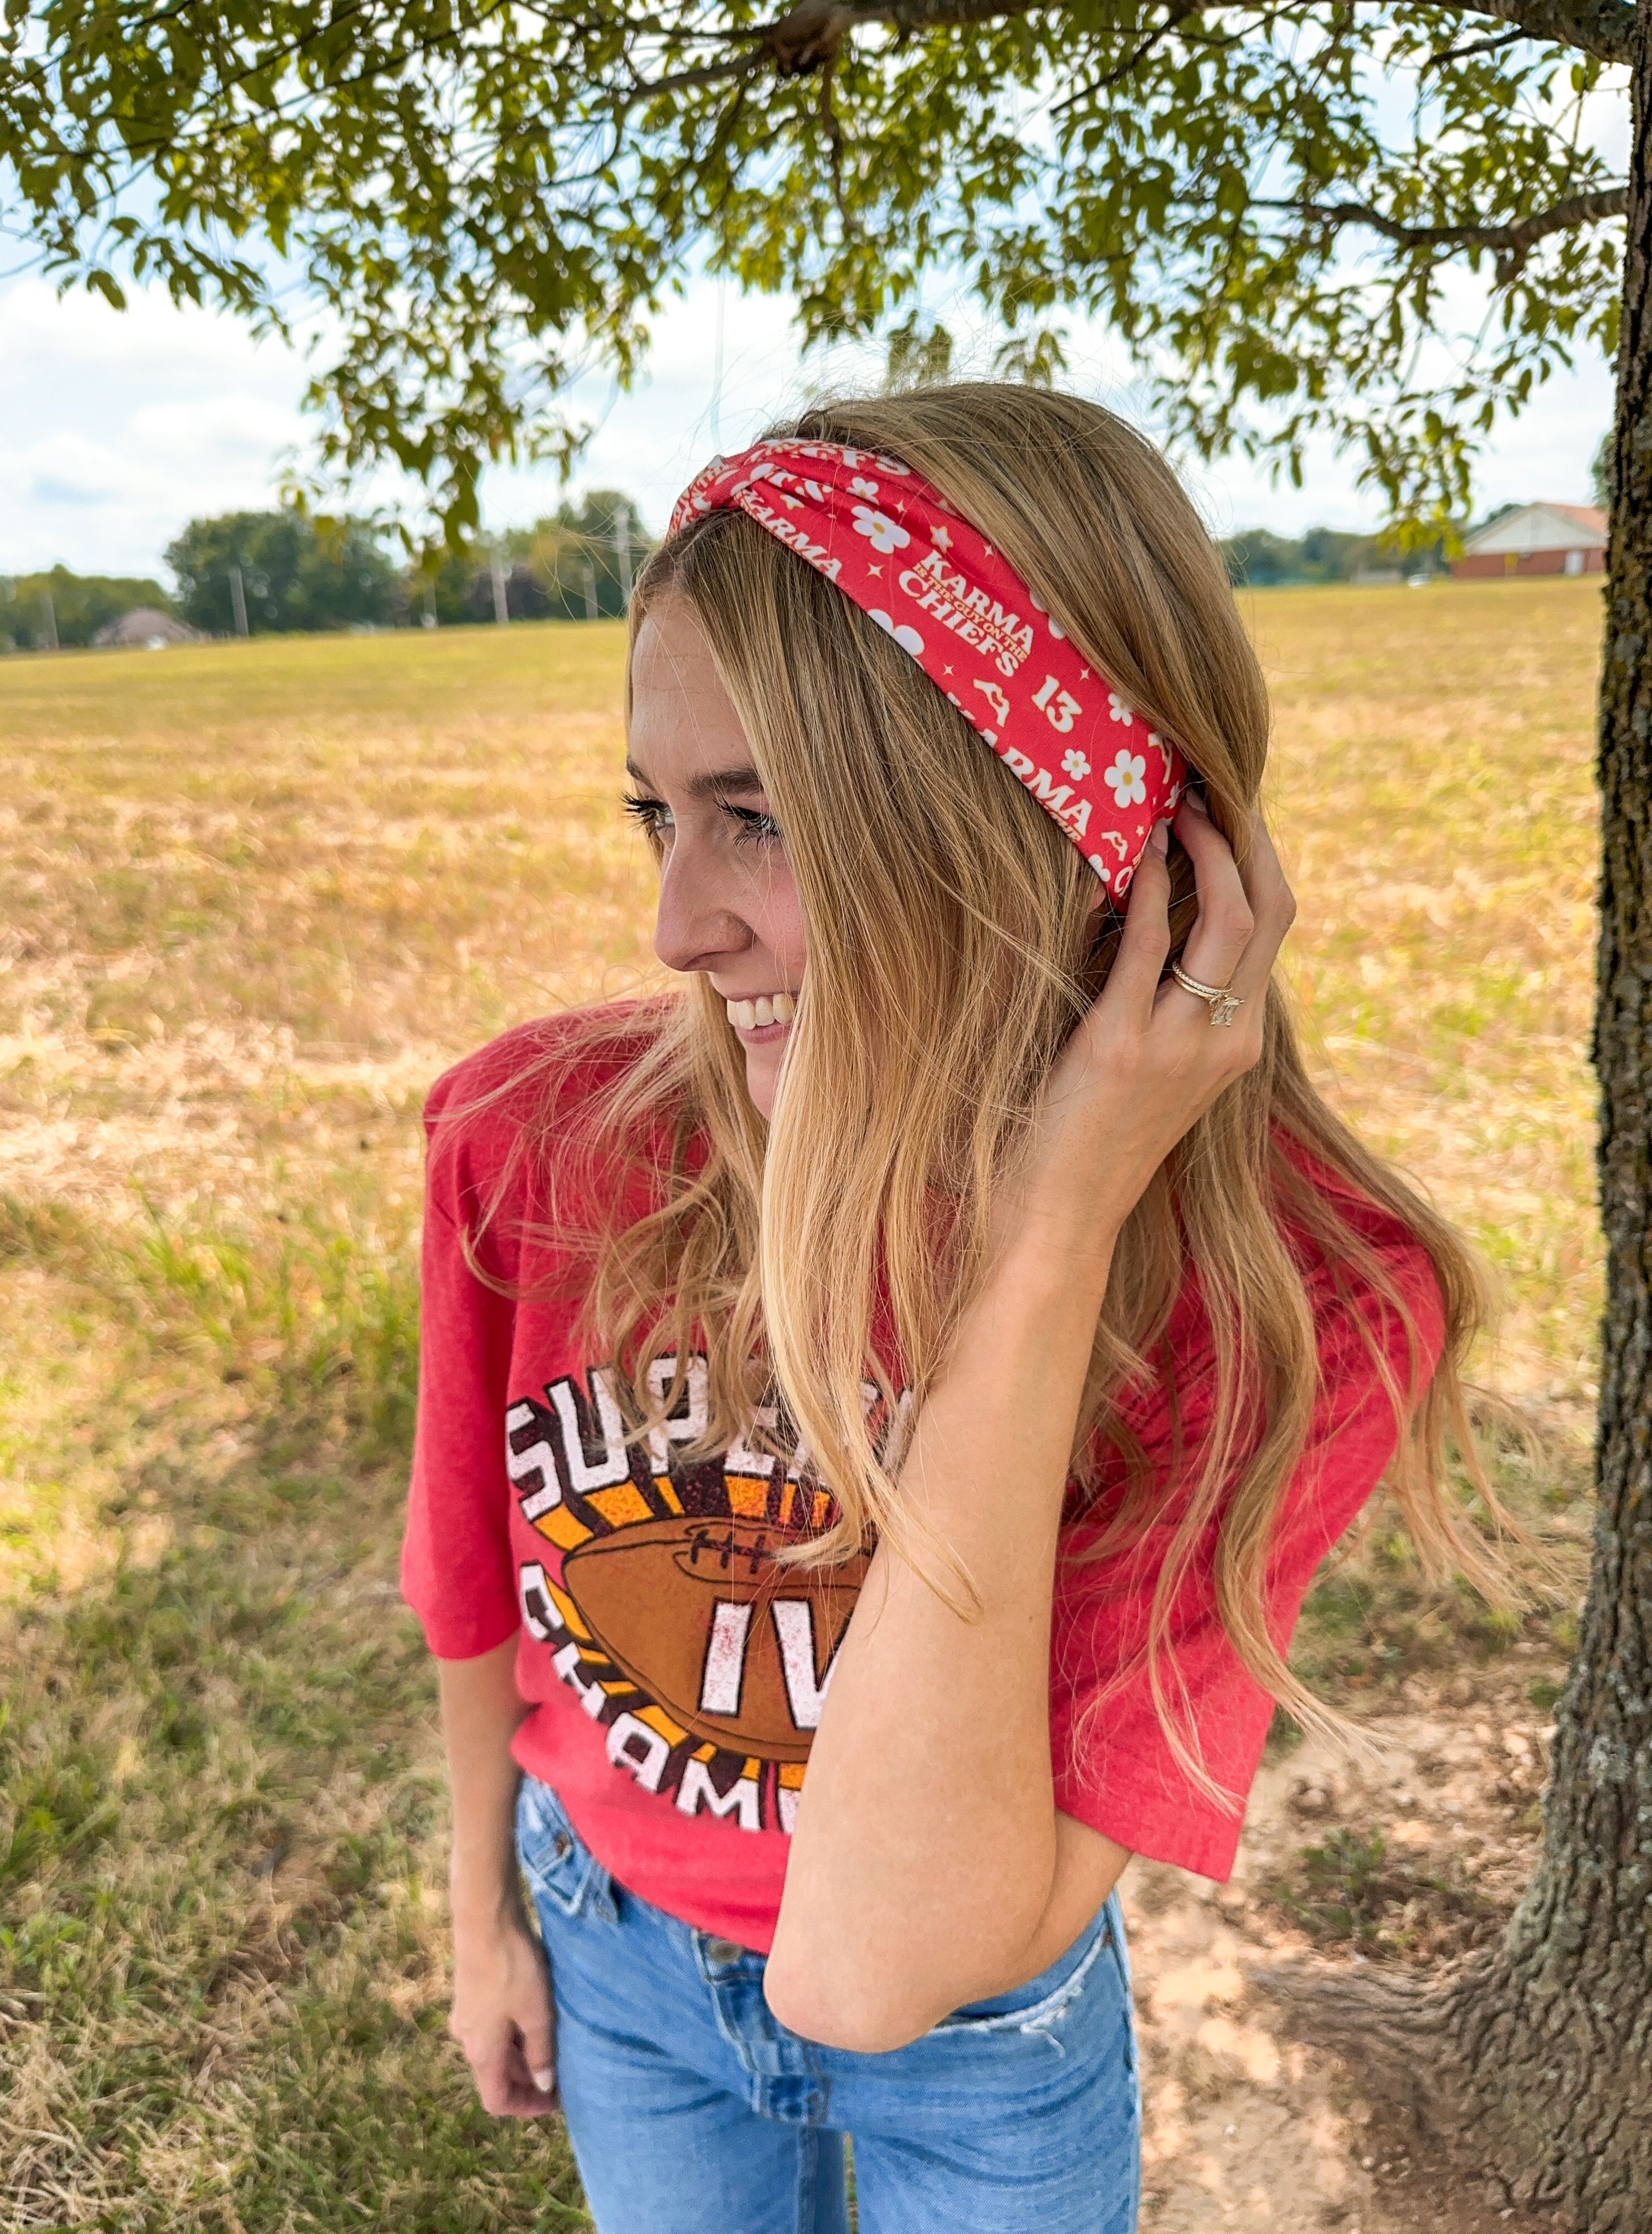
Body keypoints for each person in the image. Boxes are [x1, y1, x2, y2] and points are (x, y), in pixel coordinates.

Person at [401, 385, 1505, 2234]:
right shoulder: (532, 1140)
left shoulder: (1301, 1301)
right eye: (656, 815)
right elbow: (469, 1577)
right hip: (613, 1938)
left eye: (759, 820)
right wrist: (477, 1917)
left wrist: (1055, 1228)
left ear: (1054, 827)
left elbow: (876, 1968)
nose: (675, 928)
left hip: (980, 2036)